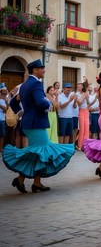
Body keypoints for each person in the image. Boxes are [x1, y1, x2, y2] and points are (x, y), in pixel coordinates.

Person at [2, 59, 74, 193]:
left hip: (29, 123)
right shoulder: (36, 84)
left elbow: (13, 101)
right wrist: (50, 105)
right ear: (34, 70)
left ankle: (32, 182)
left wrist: (21, 112)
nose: (44, 70)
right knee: (42, 151)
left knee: (37, 152)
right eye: (42, 68)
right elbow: (41, 103)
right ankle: (25, 179)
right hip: (36, 123)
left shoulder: (24, 85)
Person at [75, 81, 90, 151]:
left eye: (80, 86)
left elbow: (88, 102)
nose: (78, 88)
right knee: (82, 129)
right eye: (78, 87)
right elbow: (79, 102)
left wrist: (87, 97)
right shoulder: (76, 94)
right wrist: (84, 96)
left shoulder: (85, 93)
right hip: (80, 111)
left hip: (86, 111)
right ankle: (79, 145)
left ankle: (86, 145)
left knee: (87, 129)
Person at [0, 86, 8, 151]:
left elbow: (5, 110)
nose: (4, 92)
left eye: (5, 91)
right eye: (3, 91)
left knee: (2, 134)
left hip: (2, 119)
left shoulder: (5, 100)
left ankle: (1, 148)